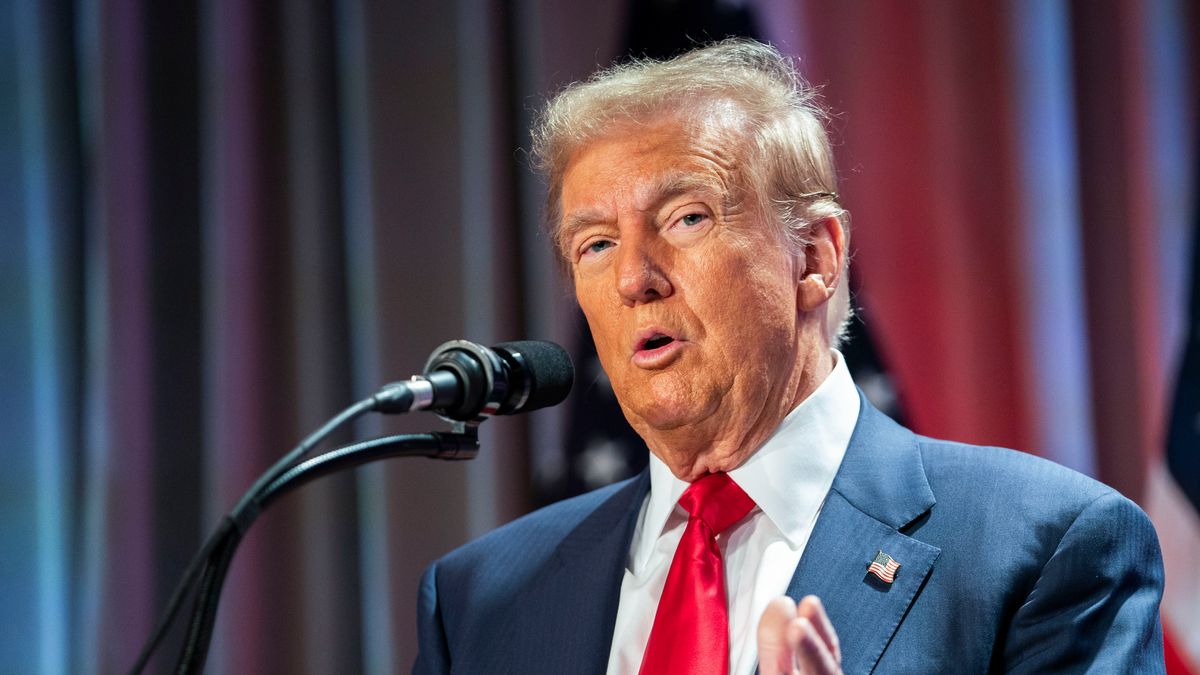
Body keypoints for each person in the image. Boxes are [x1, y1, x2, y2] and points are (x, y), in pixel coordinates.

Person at [412, 39, 1165, 674]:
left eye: (687, 218)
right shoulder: (480, 602)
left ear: (814, 256)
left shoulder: (1043, 549)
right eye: (596, 244)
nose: (634, 278)